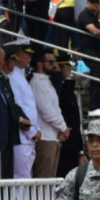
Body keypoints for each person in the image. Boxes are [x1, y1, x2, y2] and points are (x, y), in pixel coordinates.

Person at [30, 47, 70, 179]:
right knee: (44, 178)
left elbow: (56, 109)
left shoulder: (46, 81)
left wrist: (62, 128)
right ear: (40, 64)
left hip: (53, 136)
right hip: (45, 137)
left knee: (51, 178)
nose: (55, 65)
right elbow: (47, 111)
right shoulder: (36, 83)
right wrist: (63, 128)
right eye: (51, 62)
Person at [4, 39, 39, 179]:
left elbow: (31, 107)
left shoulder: (21, 76)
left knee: (26, 176)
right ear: (17, 55)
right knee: (20, 177)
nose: (29, 57)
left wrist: (37, 129)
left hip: (29, 136)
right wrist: (31, 131)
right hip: (21, 135)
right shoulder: (12, 77)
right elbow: (17, 107)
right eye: (26, 54)